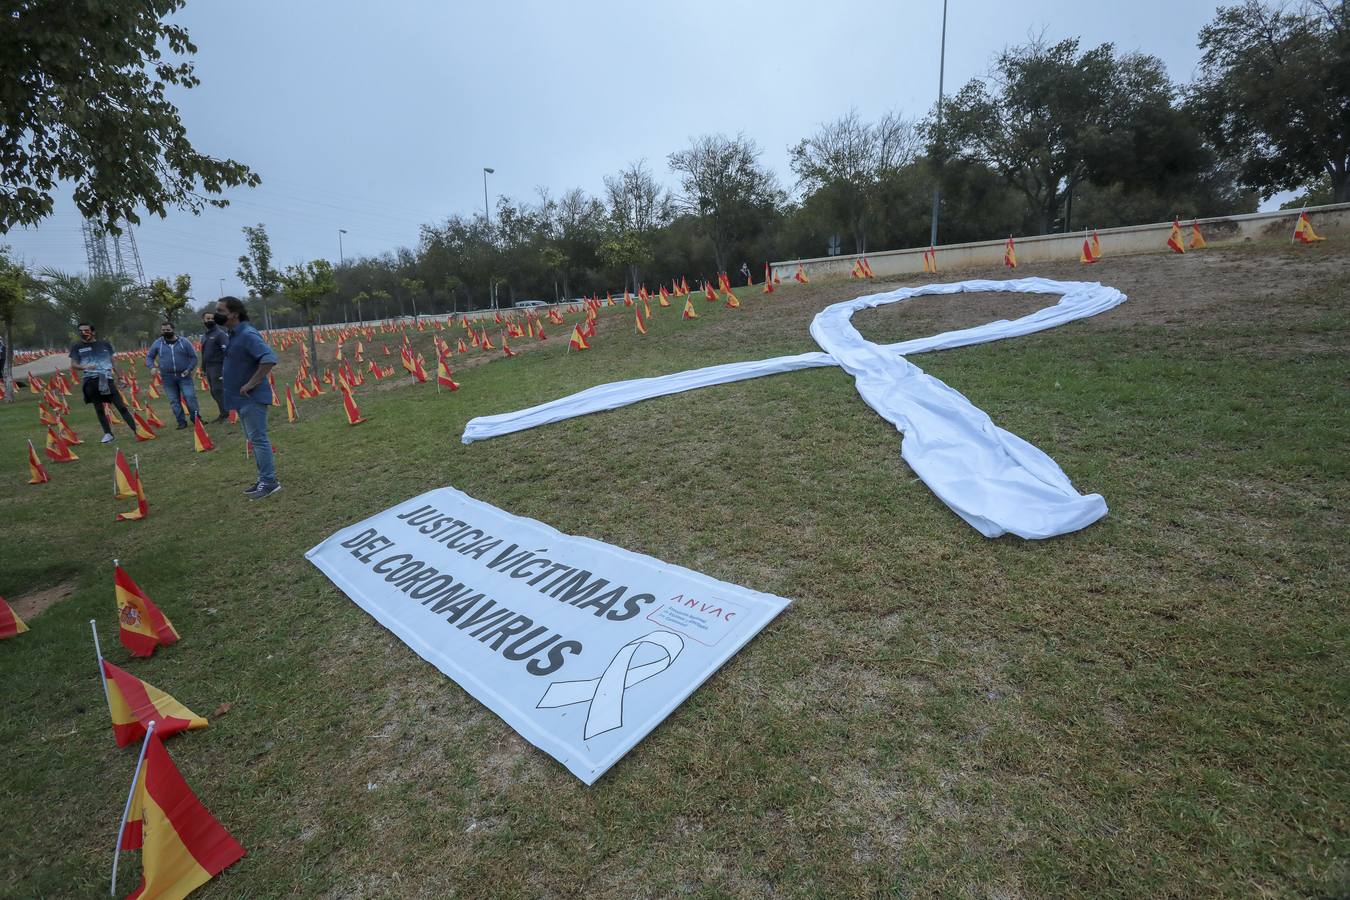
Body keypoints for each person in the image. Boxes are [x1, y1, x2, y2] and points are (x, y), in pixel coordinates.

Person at [216, 296, 280, 499]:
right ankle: (264, 479)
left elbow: (268, 359)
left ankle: (270, 482)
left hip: (252, 398)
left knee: (259, 440)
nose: (216, 314)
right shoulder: (233, 334)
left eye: (221, 311)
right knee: (254, 439)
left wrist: (251, 383)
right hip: (241, 400)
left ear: (234, 314)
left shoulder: (247, 334)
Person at [69, 322, 137, 443]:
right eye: (80, 331)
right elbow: (73, 365)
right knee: (99, 409)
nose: (83, 333)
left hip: (105, 378)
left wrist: (119, 377)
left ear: (93, 332)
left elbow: (113, 361)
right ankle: (108, 434)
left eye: (86, 330)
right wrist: (85, 367)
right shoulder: (77, 346)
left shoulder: (105, 344)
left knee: (121, 406)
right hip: (90, 380)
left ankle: (136, 430)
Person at [144, 321, 200, 429]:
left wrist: (189, 369)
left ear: (173, 330)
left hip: (184, 375)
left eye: (168, 330)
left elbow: (194, 357)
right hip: (167, 377)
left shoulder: (184, 342)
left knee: (190, 397)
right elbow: (149, 357)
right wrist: (152, 367)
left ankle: (196, 419)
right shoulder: (157, 343)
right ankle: (181, 422)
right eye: (163, 330)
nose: (165, 332)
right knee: (174, 401)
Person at [199, 310, 229, 421]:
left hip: (218, 366)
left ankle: (226, 413)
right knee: (213, 391)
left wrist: (225, 367)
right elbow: (204, 353)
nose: (210, 320)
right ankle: (223, 412)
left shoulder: (220, 334)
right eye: (208, 318)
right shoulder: (205, 336)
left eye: (212, 318)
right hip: (209, 367)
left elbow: (227, 351)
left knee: (218, 390)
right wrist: (203, 368)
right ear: (203, 320)